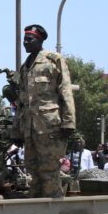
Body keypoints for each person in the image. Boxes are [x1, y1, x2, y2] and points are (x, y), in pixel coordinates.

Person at [10, 24, 76, 198]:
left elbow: (65, 91)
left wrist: (69, 122)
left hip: (50, 128)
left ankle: (53, 209)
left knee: (49, 172)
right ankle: (36, 208)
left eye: (29, 39)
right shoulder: (25, 67)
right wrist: (16, 130)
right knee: (32, 172)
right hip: (30, 129)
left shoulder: (53, 60)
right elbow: (21, 102)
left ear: (39, 40)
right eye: (24, 39)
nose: (25, 42)